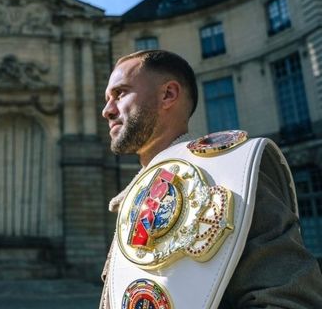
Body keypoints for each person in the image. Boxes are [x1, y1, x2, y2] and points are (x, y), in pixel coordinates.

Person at [99, 49, 322, 308]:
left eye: (120, 93)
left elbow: (289, 300)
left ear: (168, 94)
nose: (107, 110)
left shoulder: (232, 173)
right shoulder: (134, 196)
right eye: (107, 98)